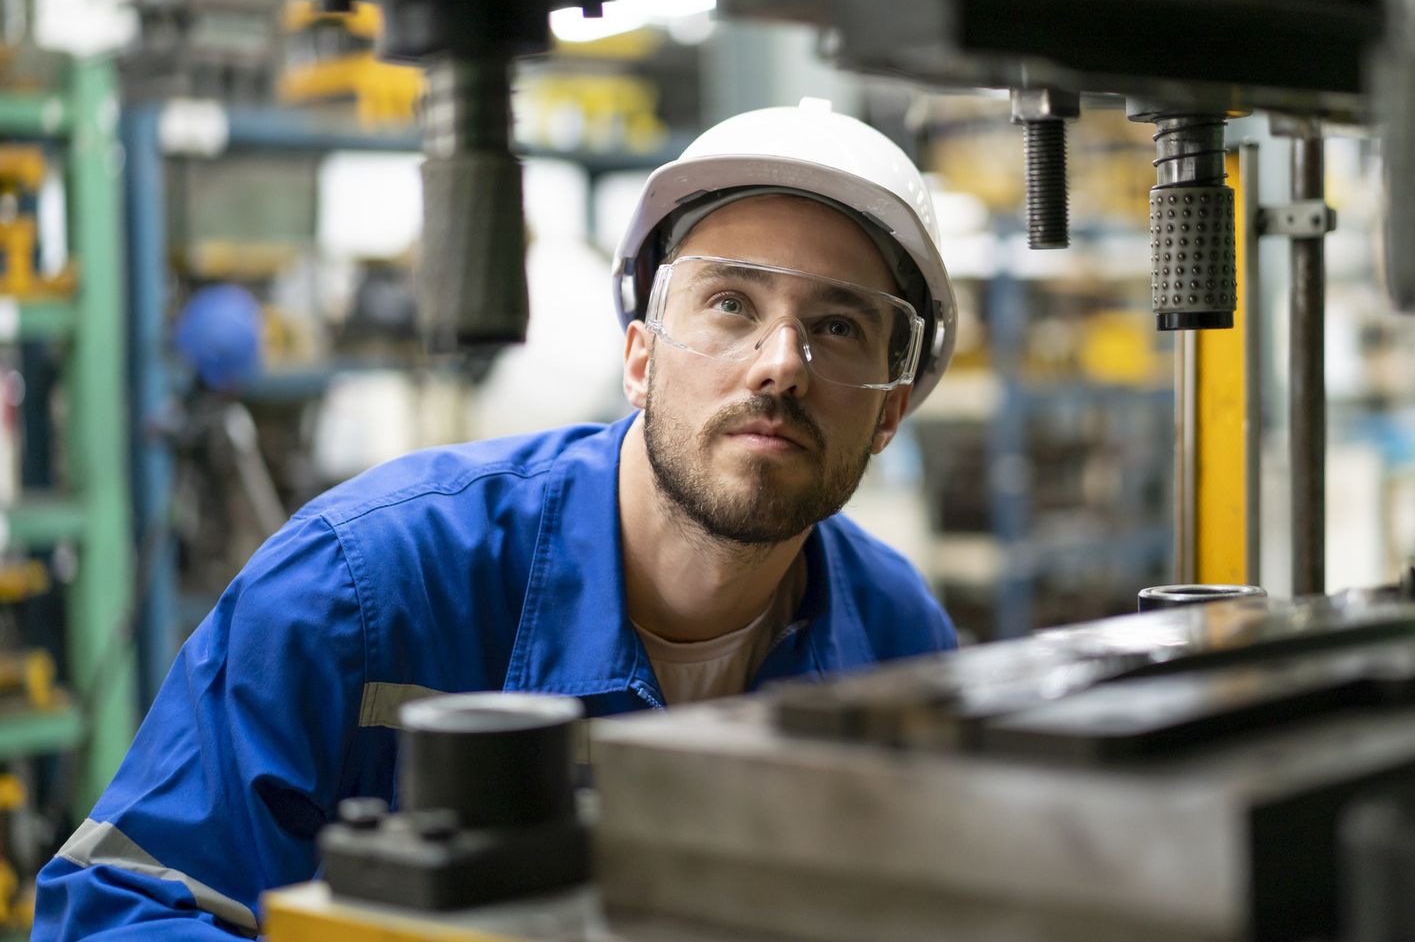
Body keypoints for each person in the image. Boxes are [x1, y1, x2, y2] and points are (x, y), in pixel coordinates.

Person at [33, 98, 959, 938]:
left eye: (839, 326)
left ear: (890, 410)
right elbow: (117, 912)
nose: (780, 364)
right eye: (730, 304)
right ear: (639, 358)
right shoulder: (363, 585)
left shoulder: (896, 640)